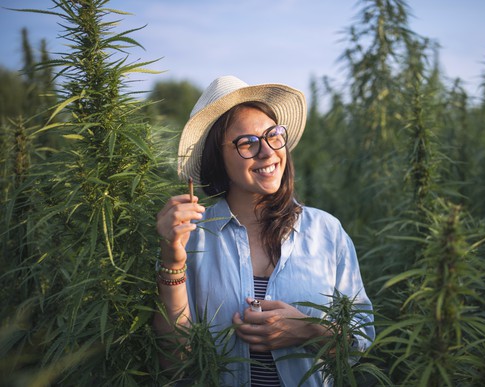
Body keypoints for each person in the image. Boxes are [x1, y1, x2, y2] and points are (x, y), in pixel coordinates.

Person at [154, 75, 374, 386]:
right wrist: (172, 261)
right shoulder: (193, 237)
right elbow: (174, 364)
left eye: (273, 136)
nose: (268, 152)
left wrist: (312, 329)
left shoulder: (327, 232)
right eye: (247, 143)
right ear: (218, 158)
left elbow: (360, 340)